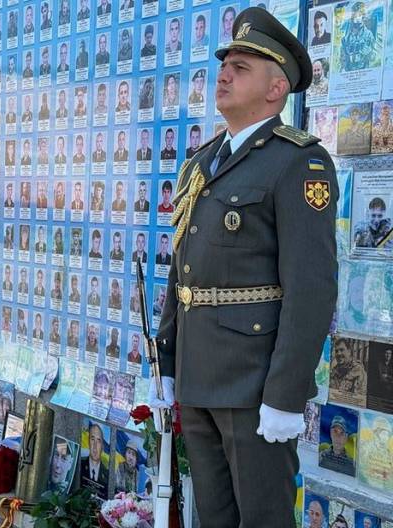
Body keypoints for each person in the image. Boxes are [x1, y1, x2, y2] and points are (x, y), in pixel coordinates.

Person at [153, 8, 337, 526]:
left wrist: (284, 395)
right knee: (212, 516)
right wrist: (168, 363)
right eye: (225, 64)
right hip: (199, 373)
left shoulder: (299, 162)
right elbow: (182, 271)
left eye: (242, 66)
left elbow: (312, 287)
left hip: (255, 385)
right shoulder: (203, 161)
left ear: (277, 88)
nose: (225, 74)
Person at [80, 422, 108, 497]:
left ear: (102, 446)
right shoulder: (80, 464)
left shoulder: (106, 474)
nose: (95, 446)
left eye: (98, 441)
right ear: (88, 442)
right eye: (92, 439)